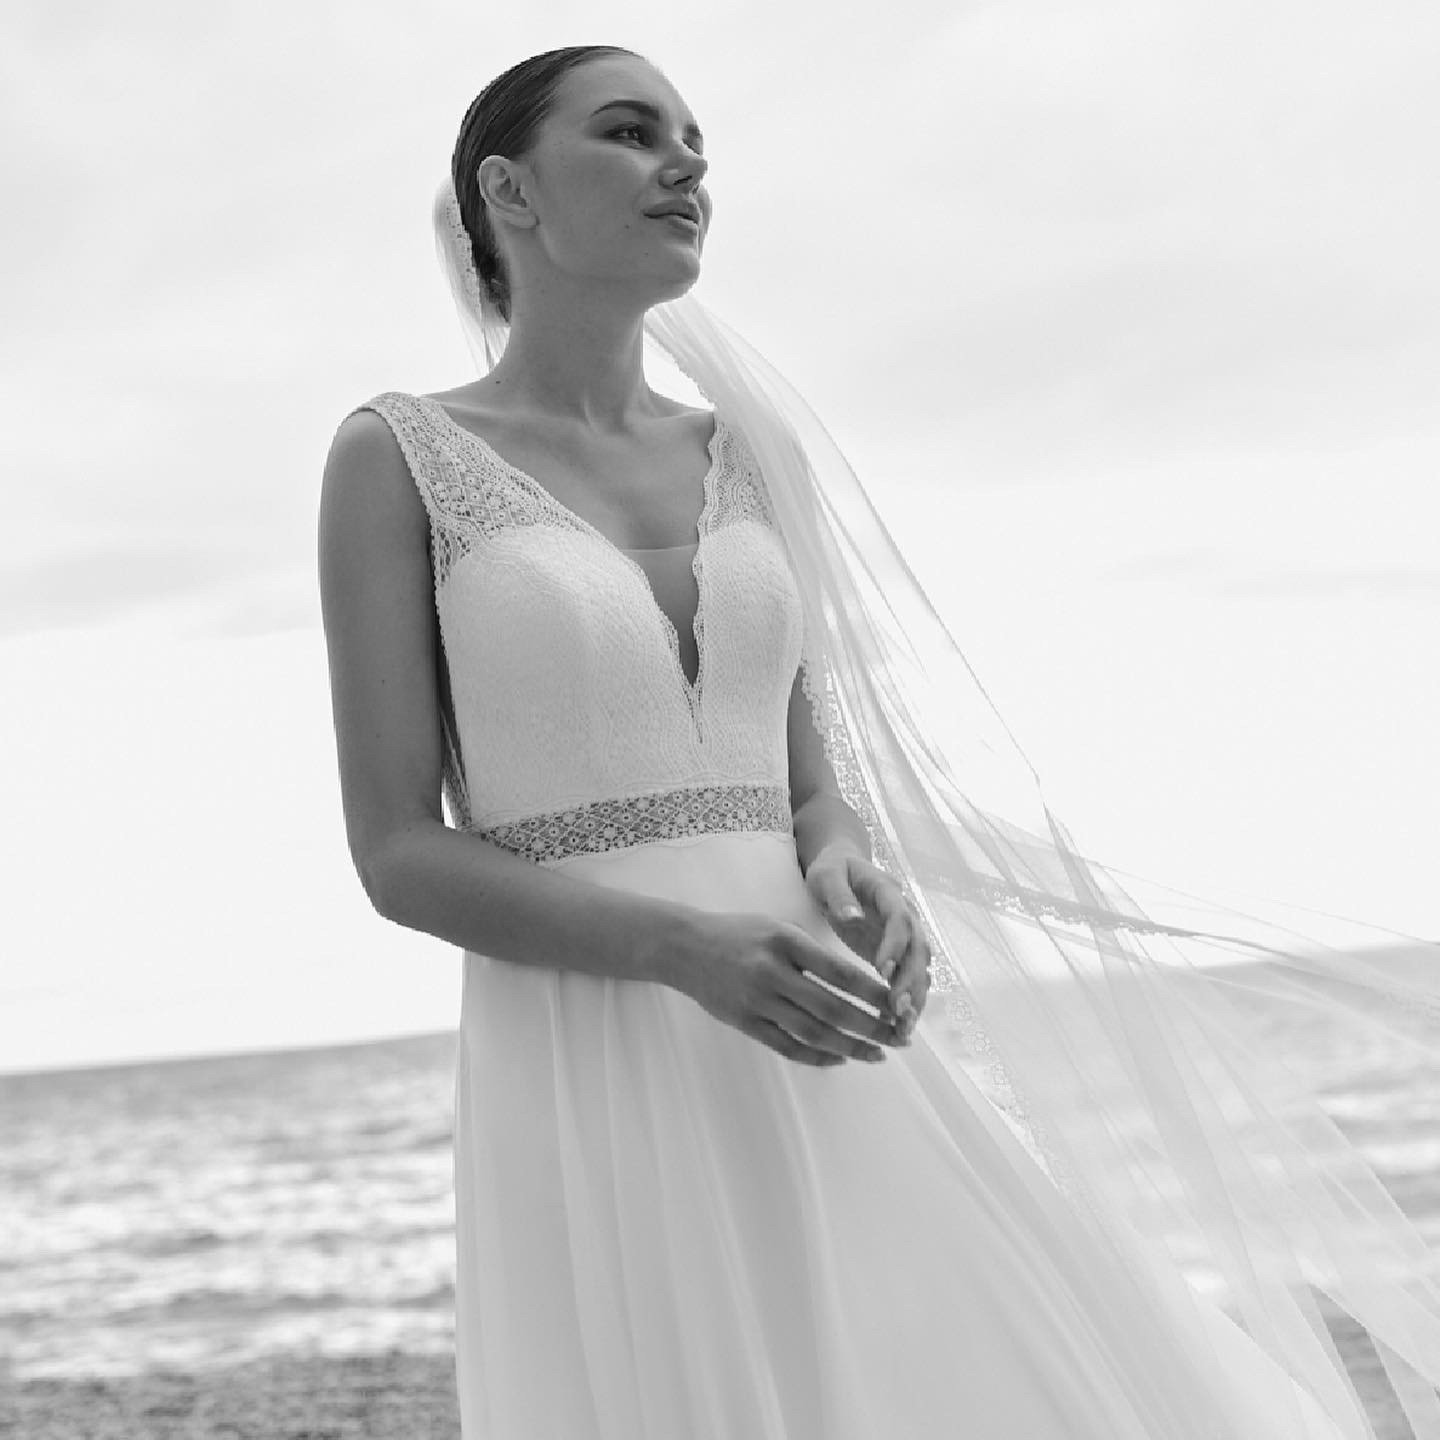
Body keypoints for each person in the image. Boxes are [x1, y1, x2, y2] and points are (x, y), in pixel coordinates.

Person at [318, 45, 1440, 1439]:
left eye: (696, 142)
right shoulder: (397, 457)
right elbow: (397, 851)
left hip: (813, 1011)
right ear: (509, 191)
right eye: (630, 132)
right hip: (589, 1034)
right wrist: (681, 949)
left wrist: (850, 870)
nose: (685, 165)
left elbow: (807, 787)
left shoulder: (747, 454)